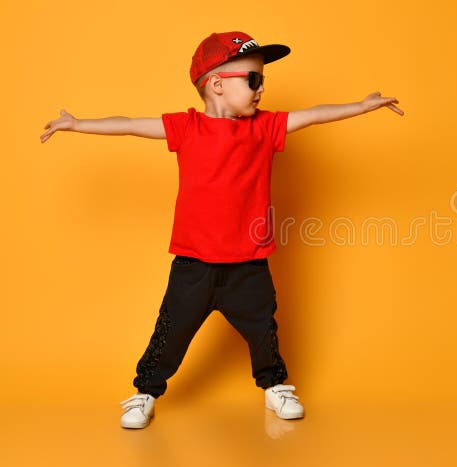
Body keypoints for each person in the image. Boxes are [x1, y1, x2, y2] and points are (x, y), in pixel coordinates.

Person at [40, 31, 403, 429]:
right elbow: (128, 125)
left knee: (264, 332)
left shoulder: (265, 128)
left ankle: (275, 386)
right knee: (169, 333)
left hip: (249, 264)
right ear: (216, 84)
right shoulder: (187, 128)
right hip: (193, 265)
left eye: (262, 80)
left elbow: (314, 114)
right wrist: (77, 124)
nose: (261, 88)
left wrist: (362, 107)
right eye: (253, 79)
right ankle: (145, 392)